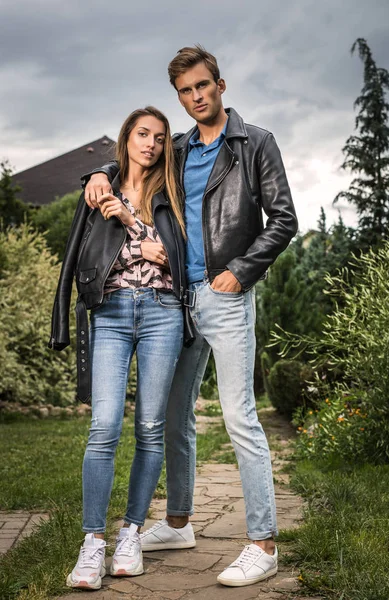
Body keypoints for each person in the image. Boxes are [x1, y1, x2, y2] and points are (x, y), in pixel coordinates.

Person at [83, 45, 298, 588]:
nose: (195, 96)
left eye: (203, 86)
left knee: (238, 417)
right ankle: (178, 521)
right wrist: (99, 171)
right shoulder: (176, 149)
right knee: (173, 418)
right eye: (185, 91)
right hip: (174, 299)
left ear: (220, 86)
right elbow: (135, 160)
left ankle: (263, 542)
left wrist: (240, 272)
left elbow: (284, 219)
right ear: (179, 97)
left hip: (224, 295)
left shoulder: (255, 143)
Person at [49, 106, 190, 590]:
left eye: (159, 137)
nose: (150, 143)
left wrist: (133, 222)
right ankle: (92, 543)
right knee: (103, 426)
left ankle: (129, 533)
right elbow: (80, 255)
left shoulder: (172, 193)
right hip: (108, 313)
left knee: (150, 427)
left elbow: (181, 258)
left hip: (161, 313)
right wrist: (100, 179)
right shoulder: (99, 189)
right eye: (142, 133)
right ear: (127, 137)